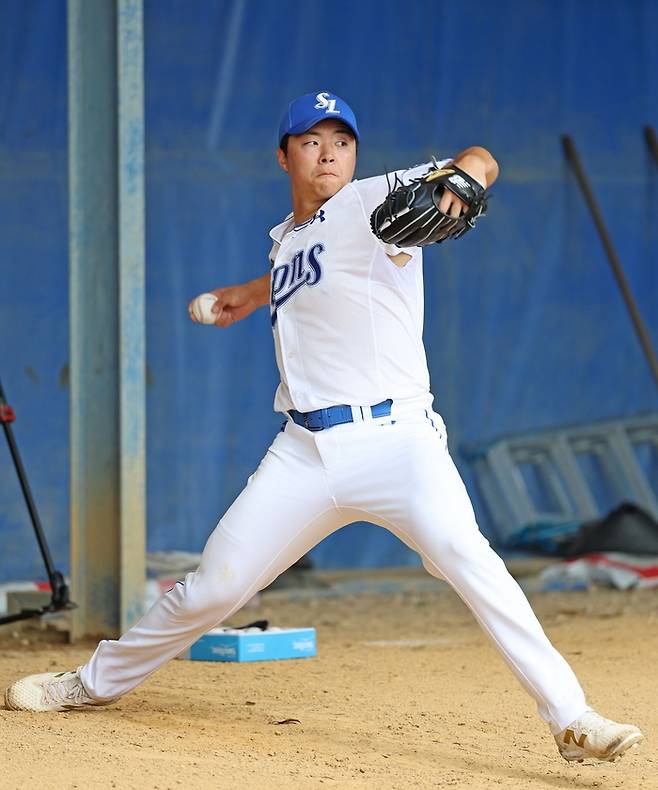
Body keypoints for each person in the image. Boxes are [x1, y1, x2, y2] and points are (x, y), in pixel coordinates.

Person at [4, 91, 643, 764]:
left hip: (398, 442)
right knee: (215, 584)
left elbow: (481, 160)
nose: (330, 152)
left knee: (471, 559)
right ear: (284, 157)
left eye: (342, 140)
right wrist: (250, 294)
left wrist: (465, 179)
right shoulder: (287, 240)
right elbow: (309, 266)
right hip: (304, 452)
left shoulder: (373, 201)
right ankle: (92, 684)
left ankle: (573, 718)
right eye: (311, 141)